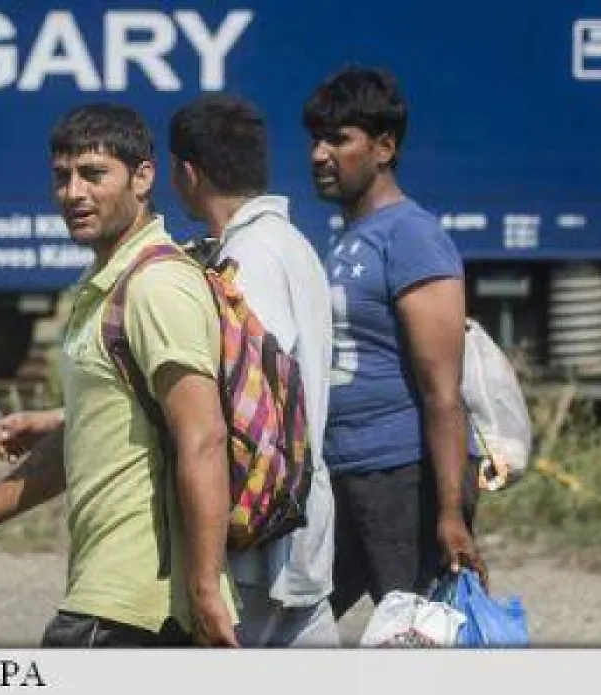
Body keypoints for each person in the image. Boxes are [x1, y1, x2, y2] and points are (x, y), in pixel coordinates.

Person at [0, 103, 239, 648]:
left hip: (139, 609)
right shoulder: (107, 282)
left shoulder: (157, 286)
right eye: (63, 177)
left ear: (143, 178)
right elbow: (86, 438)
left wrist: (204, 590)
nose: (73, 193)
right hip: (113, 602)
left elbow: (203, 438)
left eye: (93, 174)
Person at [302, 66, 486, 620]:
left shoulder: (412, 236)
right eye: (316, 140)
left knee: (411, 633)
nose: (319, 155)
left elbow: (442, 390)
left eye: (339, 140)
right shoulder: (349, 238)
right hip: (342, 471)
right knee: (299, 622)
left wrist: (449, 513)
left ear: (384, 148)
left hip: (401, 475)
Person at [168, 94, 338, 647]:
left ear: (188, 172)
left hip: (261, 538)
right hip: (300, 523)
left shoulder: (249, 259)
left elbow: (248, 399)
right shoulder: (291, 244)